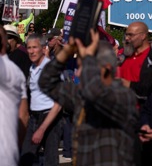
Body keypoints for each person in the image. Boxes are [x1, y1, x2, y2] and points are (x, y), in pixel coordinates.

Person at [38, 30, 138, 165]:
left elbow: (97, 94)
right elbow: (45, 82)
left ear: (107, 68)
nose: (78, 73)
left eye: (85, 67)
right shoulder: (81, 95)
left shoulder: (123, 95)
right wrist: (66, 52)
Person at [20, 33, 62, 166]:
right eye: (29, 48)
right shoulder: (32, 67)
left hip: (50, 118)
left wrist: (42, 128)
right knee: (25, 157)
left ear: (43, 48)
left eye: (35, 47)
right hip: (34, 117)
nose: (31, 51)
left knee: (50, 160)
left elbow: (59, 103)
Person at [0, 25, 27, 166]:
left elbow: (23, 114)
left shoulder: (18, 61)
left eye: (11, 38)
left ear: (16, 40)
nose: (8, 41)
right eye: (6, 37)